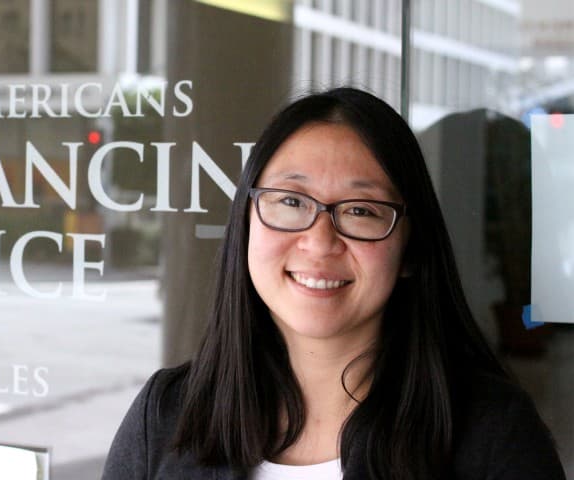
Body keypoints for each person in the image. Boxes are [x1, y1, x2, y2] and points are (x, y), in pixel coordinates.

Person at [101, 88, 566, 479]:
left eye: (361, 211)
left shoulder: (492, 436)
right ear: (246, 223)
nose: (320, 241)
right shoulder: (165, 416)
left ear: (410, 250)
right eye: (290, 201)